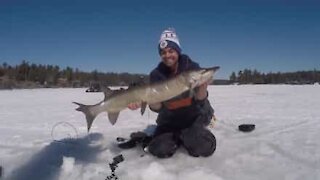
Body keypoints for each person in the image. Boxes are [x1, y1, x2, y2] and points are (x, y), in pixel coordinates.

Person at [126, 28, 216, 158]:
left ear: (178, 51)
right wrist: (144, 101)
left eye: (171, 51)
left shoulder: (192, 68)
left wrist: (203, 86)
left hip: (193, 117)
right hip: (170, 120)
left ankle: (190, 134)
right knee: (159, 149)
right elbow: (157, 108)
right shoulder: (156, 74)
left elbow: (200, 100)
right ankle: (178, 137)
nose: (167, 55)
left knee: (203, 146)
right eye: (163, 52)